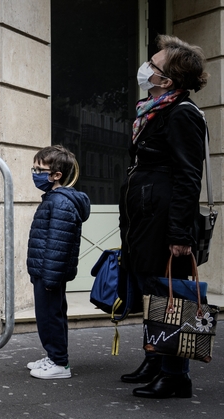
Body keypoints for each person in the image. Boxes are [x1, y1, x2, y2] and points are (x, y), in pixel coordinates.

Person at [118, 35, 209, 398]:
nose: (146, 68)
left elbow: (189, 176)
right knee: (151, 289)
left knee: (171, 292)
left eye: (153, 65)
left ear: (166, 80)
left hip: (164, 219)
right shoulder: (153, 109)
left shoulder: (182, 113)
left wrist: (179, 234)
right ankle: (155, 358)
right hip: (146, 215)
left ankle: (176, 376)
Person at [26, 145, 90, 379]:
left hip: (49, 273)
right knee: (51, 314)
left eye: (39, 169)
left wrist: (50, 278)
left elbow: (58, 244)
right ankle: (53, 356)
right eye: (34, 168)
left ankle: (59, 363)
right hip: (45, 271)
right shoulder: (54, 199)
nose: (35, 173)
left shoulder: (60, 202)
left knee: (50, 316)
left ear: (56, 175)